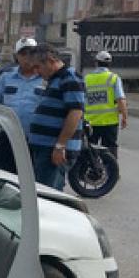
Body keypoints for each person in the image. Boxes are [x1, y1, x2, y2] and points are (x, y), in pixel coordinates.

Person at [28, 44, 86, 190]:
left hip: (54, 149)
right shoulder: (55, 79)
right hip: (45, 147)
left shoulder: (69, 77)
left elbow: (75, 113)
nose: (36, 72)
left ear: (50, 60)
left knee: (48, 195)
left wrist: (60, 146)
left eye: (37, 66)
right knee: (42, 190)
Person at [0, 38, 43, 171]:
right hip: (9, 138)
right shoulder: (6, 77)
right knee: (4, 177)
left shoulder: (46, 78)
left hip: (37, 139)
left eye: (32, 53)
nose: (28, 57)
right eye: (23, 53)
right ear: (16, 56)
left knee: (35, 181)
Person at [84, 50, 129, 158]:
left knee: (90, 150)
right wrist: (124, 117)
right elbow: (120, 99)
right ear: (109, 64)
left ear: (96, 62)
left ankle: (89, 172)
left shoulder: (87, 79)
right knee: (110, 150)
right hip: (110, 122)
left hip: (91, 122)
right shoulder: (113, 78)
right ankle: (112, 173)